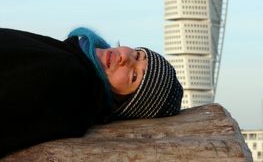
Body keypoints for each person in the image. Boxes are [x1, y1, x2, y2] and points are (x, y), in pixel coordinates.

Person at [0, 27, 183, 157]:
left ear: (127, 103)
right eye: (137, 55)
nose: (125, 58)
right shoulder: (70, 59)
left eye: (133, 76)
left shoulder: (68, 80)